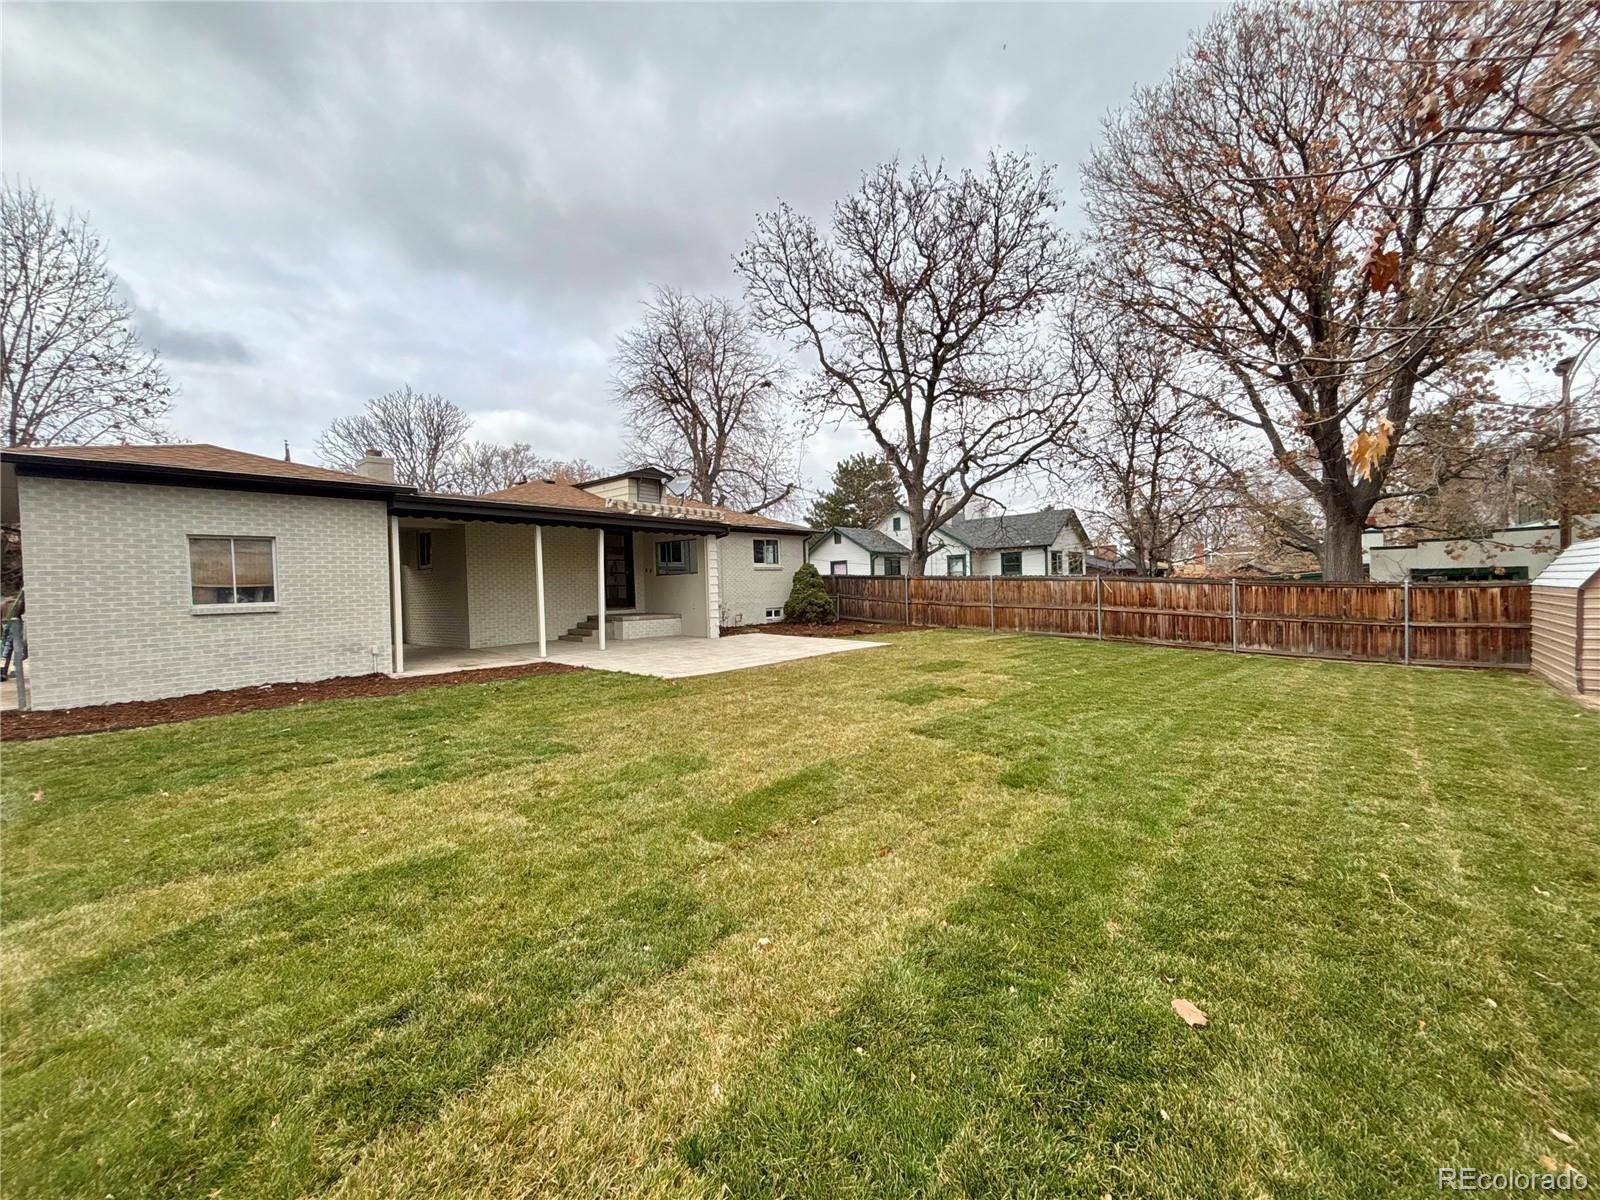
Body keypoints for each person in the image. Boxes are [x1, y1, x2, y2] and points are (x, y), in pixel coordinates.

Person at [1, 589, 24, 682]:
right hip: (15, 626)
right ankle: (15, 669)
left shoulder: (3, 604)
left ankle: (4, 670)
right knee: (17, 647)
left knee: (6, 649)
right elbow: (20, 613)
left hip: (6, 625)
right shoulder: (17, 603)